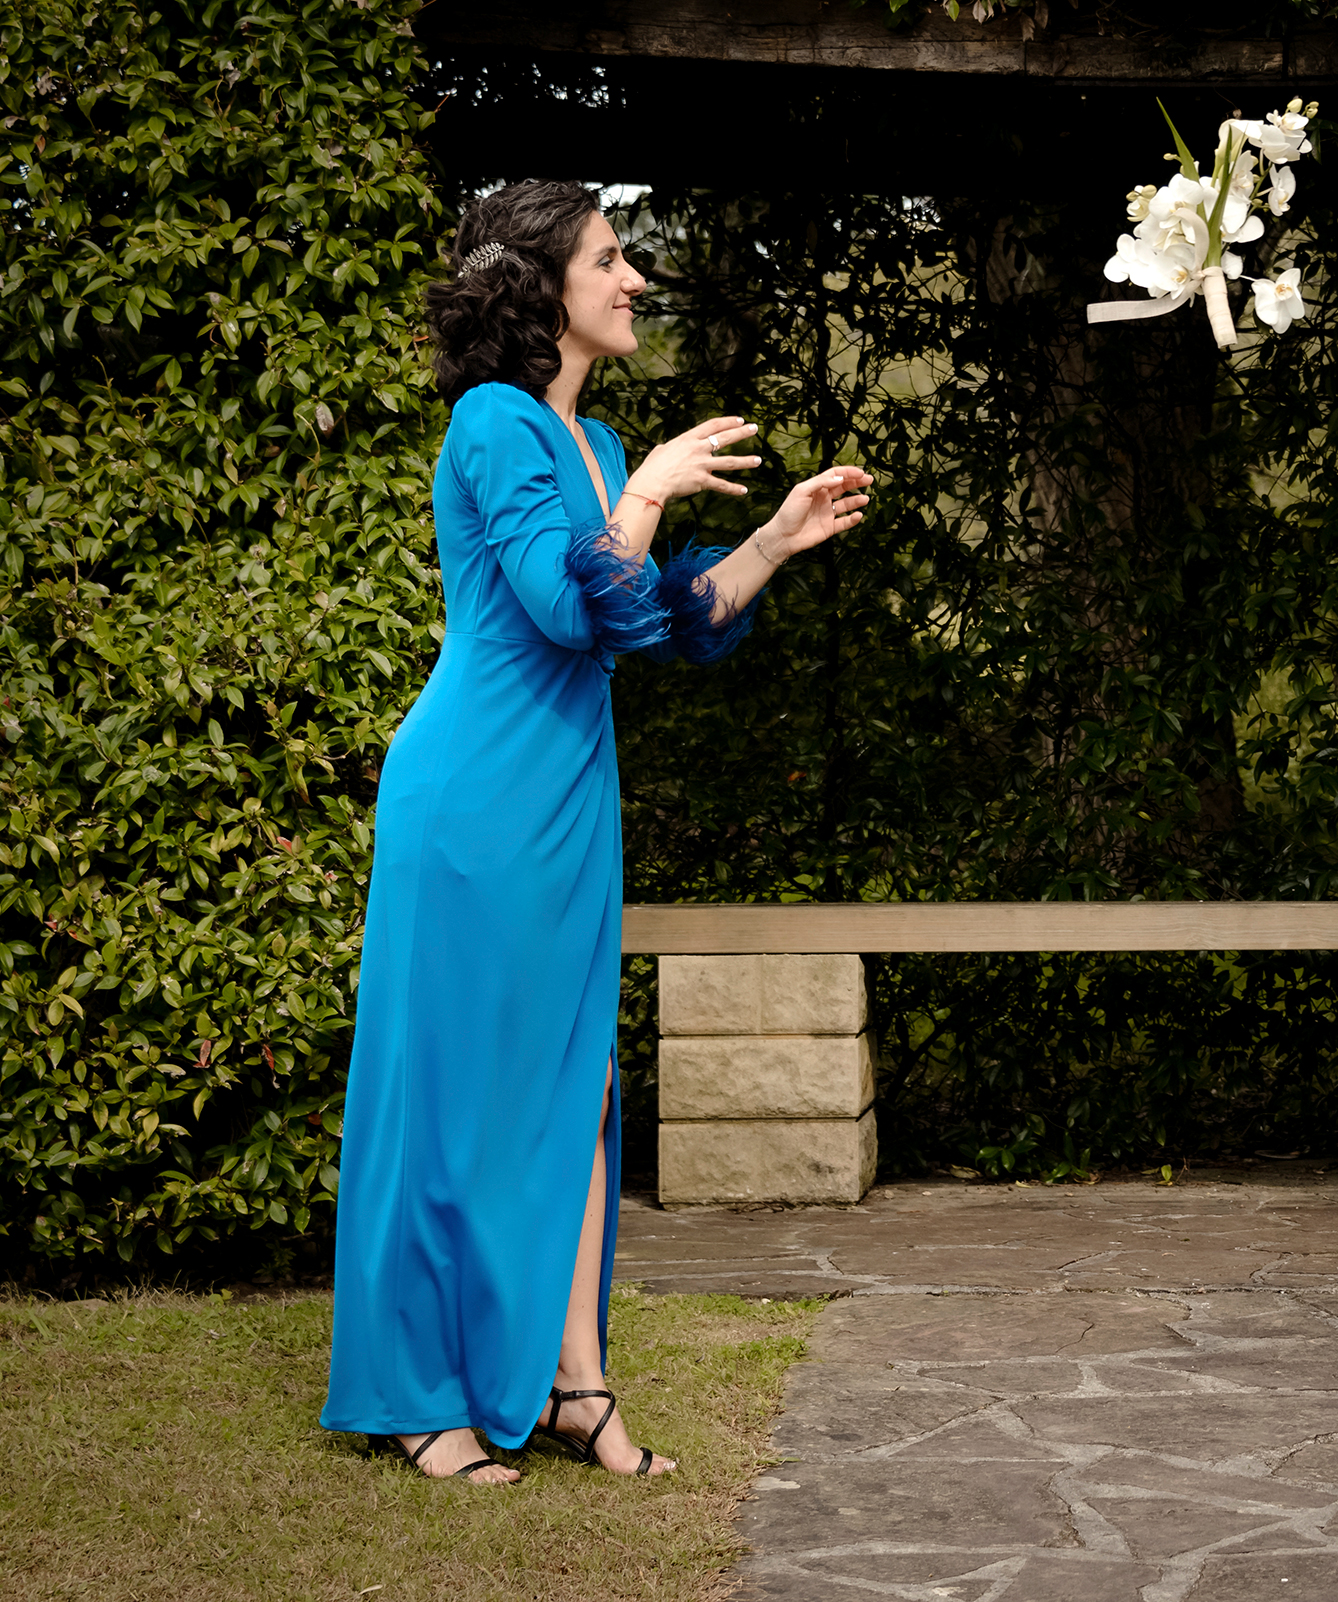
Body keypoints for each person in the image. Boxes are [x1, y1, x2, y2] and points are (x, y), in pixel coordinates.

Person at [319, 181, 873, 1482]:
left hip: (569, 800)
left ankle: (576, 1385)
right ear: (541, 286)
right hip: (473, 799)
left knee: (578, 1083)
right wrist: (657, 488)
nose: (633, 280)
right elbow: (564, 609)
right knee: (455, 1087)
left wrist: (773, 540)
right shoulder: (492, 421)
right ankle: (419, 1393)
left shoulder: (601, 443)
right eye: (611, 259)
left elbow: (644, 621)